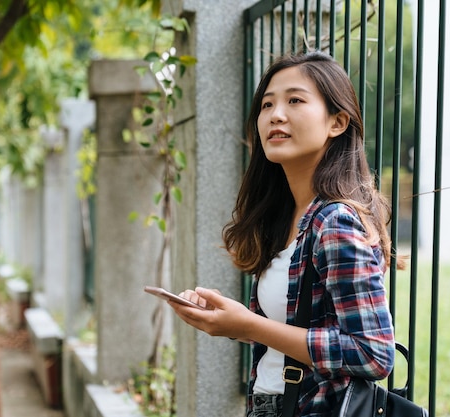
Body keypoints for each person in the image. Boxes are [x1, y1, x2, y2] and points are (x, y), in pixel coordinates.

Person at [168, 51, 396, 417]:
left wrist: (251, 325)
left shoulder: (335, 221)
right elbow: (297, 329)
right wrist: (233, 322)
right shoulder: (290, 216)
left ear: (337, 122)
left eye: (295, 100)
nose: (275, 114)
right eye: (267, 104)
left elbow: (373, 353)